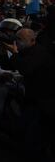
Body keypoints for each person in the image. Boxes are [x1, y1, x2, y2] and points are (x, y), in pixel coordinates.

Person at [9, 28, 55, 162]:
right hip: (33, 100)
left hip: (43, 103)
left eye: (20, 40)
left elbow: (25, 68)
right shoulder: (28, 51)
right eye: (16, 39)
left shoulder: (39, 52)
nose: (17, 43)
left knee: (34, 137)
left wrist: (14, 54)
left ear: (32, 40)